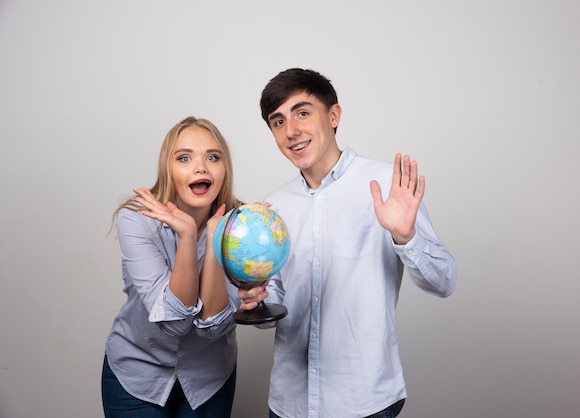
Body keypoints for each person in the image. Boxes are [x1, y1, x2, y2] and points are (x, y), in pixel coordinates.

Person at [239, 68, 457, 418]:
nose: (291, 131)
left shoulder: (387, 184)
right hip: (288, 404)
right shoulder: (273, 207)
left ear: (334, 115)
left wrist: (406, 236)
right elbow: (273, 314)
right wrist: (257, 298)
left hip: (363, 402)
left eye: (303, 113)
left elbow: (444, 282)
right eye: (277, 122)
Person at [102, 116, 242, 418]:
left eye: (213, 157)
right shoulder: (136, 220)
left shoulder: (242, 227)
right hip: (136, 377)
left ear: (224, 169)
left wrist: (216, 242)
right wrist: (188, 236)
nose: (200, 167)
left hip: (210, 380)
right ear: (169, 169)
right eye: (184, 158)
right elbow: (175, 321)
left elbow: (212, 326)